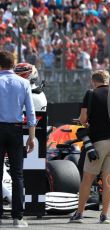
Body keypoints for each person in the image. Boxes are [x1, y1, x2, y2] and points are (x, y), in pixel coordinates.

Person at [69, 70, 110, 224]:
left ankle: (79, 214)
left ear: (93, 81)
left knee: (87, 178)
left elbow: (83, 119)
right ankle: (104, 215)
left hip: (98, 141)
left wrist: (85, 120)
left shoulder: (90, 94)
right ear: (108, 81)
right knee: (108, 179)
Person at [0, 51, 36, 227]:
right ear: (13, 64)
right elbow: (30, 112)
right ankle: (18, 217)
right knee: (17, 174)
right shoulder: (23, 82)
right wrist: (32, 136)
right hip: (15, 129)